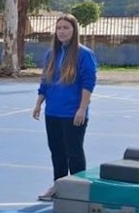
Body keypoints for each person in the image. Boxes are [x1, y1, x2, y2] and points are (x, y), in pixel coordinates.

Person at [32, 14, 98, 201]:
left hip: (73, 112)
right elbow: (45, 81)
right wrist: (39, 103)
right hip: (53, 112)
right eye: (59, 28)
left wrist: (82, 108)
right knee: (57, 152)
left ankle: (78, 189)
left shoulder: (84, 54)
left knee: (74, 152)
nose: (61, 31)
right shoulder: (51, 54)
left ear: (74, 30)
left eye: (66, 28)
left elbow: (89, 81)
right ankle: (59, 186)